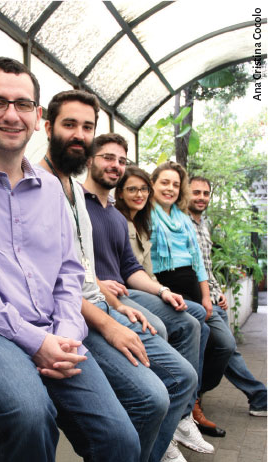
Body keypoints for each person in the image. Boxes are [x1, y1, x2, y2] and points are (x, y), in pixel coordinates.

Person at [0, 57, 142, 462]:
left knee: (119, 439)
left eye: (22, 105)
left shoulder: (52, 191)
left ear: (38, 118)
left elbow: (69, 273)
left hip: (53, 329)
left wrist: (67, 333)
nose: (10, 114)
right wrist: (36, 341)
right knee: (30, 413)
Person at [38, 90, 198, 462]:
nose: (79, 134)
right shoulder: (37, 185)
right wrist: (109, 319)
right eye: (69, 124)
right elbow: (49, 283)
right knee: (153, 397)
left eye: (87, 127)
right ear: (47, 126)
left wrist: (117, 305)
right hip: (70, 320)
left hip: (101, 309)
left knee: (183, 376)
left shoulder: (75, 191)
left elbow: (88, 271)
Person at [83, 133, 215, 457]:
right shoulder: (75, 206)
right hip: (103, 298)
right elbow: (70, 264)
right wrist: (100, 284)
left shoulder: (113, 215)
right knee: (165, 326)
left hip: (124, 291)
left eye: (121, 160)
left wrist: (163, 290)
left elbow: (130, 266)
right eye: (107, 157)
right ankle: (168, 410)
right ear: (89, 159)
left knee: (195, 317)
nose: (115, 166)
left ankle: (178, 418)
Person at [149, 161, 232, 440]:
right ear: (153, 183)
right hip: (163, 287)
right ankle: (183, 412)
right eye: (164, 182)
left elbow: (198, 261)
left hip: (194, 290)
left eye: (175, 184)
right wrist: (158, 290)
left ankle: (191, 402)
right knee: (200, 334)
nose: (170, 188)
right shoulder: (146, 213)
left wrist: (207, 296)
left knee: (221, 344)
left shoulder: (183, 218)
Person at [189, 176, 267, 417]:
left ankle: (258, 397)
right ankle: (194, 395)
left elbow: (206, 265)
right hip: (197, 302)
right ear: (186, 194)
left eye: (205, 193)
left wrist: (218, 289)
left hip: (213, 298)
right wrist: (204, 295)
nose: (202, 197)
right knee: (225, 346)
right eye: (196, 192)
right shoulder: (180, 223)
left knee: (228, 349)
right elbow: (189, 269)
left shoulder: (204, 223)